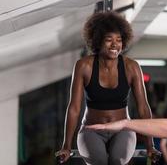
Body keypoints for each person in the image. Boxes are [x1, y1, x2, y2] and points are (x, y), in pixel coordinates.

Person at [56, 11, 159, 165]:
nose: (114, 45)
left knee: (117, 160)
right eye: (109, 40)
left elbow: (143, 107)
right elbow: (74, 108)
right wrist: (66, 146)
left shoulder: (131, 67)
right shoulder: (84, 66)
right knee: (99, 161)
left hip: (123, 129)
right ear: (98, 41)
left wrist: (151, 146)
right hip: (91, 130)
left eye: (118, 40)